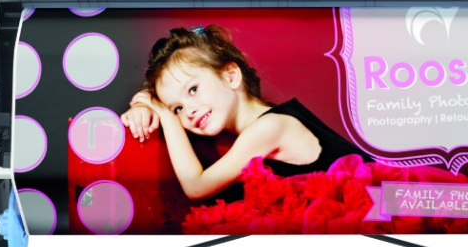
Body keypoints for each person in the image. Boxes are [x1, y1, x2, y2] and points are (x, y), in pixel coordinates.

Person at [121, 25, 369, 200]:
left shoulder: (270, 128)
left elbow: (196, 186)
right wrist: (145, 106)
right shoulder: (242, 135)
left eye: (193, 89)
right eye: (177, 108)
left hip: (383, 207)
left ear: (231, 76)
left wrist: (166, 116)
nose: (189, 111)